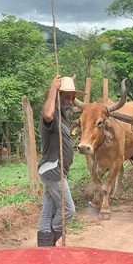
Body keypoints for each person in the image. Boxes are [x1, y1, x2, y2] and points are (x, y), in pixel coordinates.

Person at [37, 75, 82, 247]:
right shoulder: (52, 114)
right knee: (68, 210)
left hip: (56, 171)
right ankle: (53, 239)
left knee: (48, 210)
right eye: (66, 97)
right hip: (54, 170)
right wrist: (53, 89)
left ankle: (44, 244)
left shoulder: (63, 116)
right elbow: (47, 114)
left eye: (72, 97)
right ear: (58, 97)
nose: (70, 101)